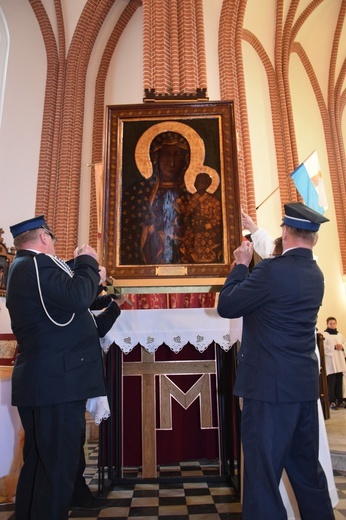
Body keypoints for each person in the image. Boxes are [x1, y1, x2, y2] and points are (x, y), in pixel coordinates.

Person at [217, 202, 334, 520]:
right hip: (303, 390)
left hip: (269, 392)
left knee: (262, 481)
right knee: (309, 478)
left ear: (285, 231)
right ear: (313, 238)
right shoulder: (316, 274)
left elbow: (227, 305)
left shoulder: (270, 271)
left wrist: (241, 266)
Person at [6, 215, 110, 520]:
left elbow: (65, 300)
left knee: (40, 465)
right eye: (52, 238)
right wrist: (87, 262)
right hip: (57, 381)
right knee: (56, 470)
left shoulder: (24, 267)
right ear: (42, 238)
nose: (53, 244)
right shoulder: (38, 264)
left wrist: (86, 273)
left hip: (44, 380)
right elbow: (77, 296)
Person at [121, 131, 192, 264]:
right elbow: (130, 234)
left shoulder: (191, 197)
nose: (171, 163)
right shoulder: (138, 192)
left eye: (177, 155)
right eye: (166, 155)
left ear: (185, 159)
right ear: (155, 158)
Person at [182, 172, 222, 263]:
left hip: (207, 232)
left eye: (202, 182)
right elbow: (186, 214)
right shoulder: (192, 199)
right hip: (192, 230)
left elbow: (216, 220)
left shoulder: (214, 201)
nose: (199, 184)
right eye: (197, 182)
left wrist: (203, 227)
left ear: (208, 184)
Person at [323, 316, 346, 410]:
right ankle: (332, 401)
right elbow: (323, 347)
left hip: (340, 361)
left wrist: (342, 347)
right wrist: (334, 347)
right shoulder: (324, 335)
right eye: (330, 323)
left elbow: (345, 344)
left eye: (334, 323)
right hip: (331, 362)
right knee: (331, 382)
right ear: (327, 324)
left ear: (336, 324)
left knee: (339, 382)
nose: (332, 325)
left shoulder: (340, 335)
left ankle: (340, 401)